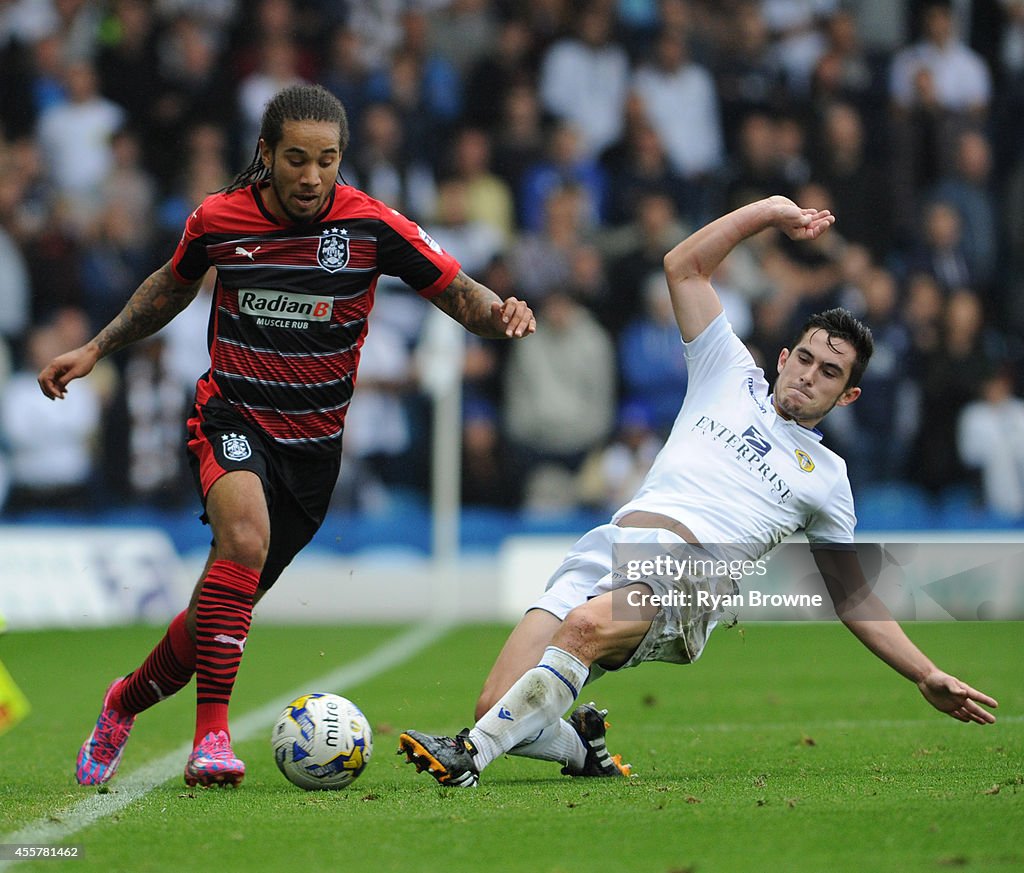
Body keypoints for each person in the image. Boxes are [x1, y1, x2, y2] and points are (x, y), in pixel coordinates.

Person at [398, 195, 998, 788]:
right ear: (784, 357)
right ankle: (578, 748)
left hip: (686, 578)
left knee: (578, 631)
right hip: (611, 544)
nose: (810, 376)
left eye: (830, 373)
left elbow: (851, 598)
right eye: (806, 359)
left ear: (848, 397)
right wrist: (768, 214)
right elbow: (682, 265)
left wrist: (924, 673)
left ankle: (465, 758)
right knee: (497, 705)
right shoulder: (728, 371)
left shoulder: (828, 478)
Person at [38, 84, 536, 789]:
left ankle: (123, 700)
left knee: (219, 607)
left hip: (313, 451)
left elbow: (458, 293)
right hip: (231, 418)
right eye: (296, 159)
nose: (311, 176)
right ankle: (211, 736)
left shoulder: (369, 225)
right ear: (266, 155)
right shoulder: (219, 219)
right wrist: (97, 346)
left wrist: (502, 313)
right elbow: (169, 289)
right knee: (242, 541)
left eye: (326, 160)